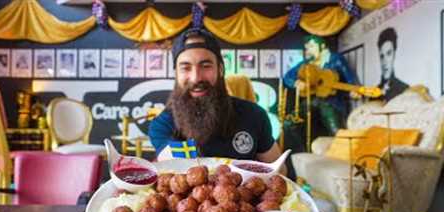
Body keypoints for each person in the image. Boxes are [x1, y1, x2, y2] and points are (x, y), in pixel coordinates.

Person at [149, 28, 282, 164]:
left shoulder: (254, 115)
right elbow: (171, 170)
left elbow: (278, 170)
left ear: (220, 69)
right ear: (176, 73)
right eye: (186, 68)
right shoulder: (163, 124)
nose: (196, 78)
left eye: (206, 66)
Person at [282, 35, 359, 152]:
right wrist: (296, 82)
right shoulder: (307, 63)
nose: (308, 50)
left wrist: (354, 89)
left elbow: (349, 77)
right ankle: (306, 150)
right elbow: (287, 76)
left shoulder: (335, 59)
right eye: (307, 48)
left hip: (332, 102)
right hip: (311, 100)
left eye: (312, 47)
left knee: (336, 131)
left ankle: (344, 155)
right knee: (289, 123)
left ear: (322, 46)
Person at [377, 27, 408, 101]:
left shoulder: (404, 90)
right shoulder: (374, 93)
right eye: (382, 56)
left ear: (394, 54)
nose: (385, 61)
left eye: (388, 54)